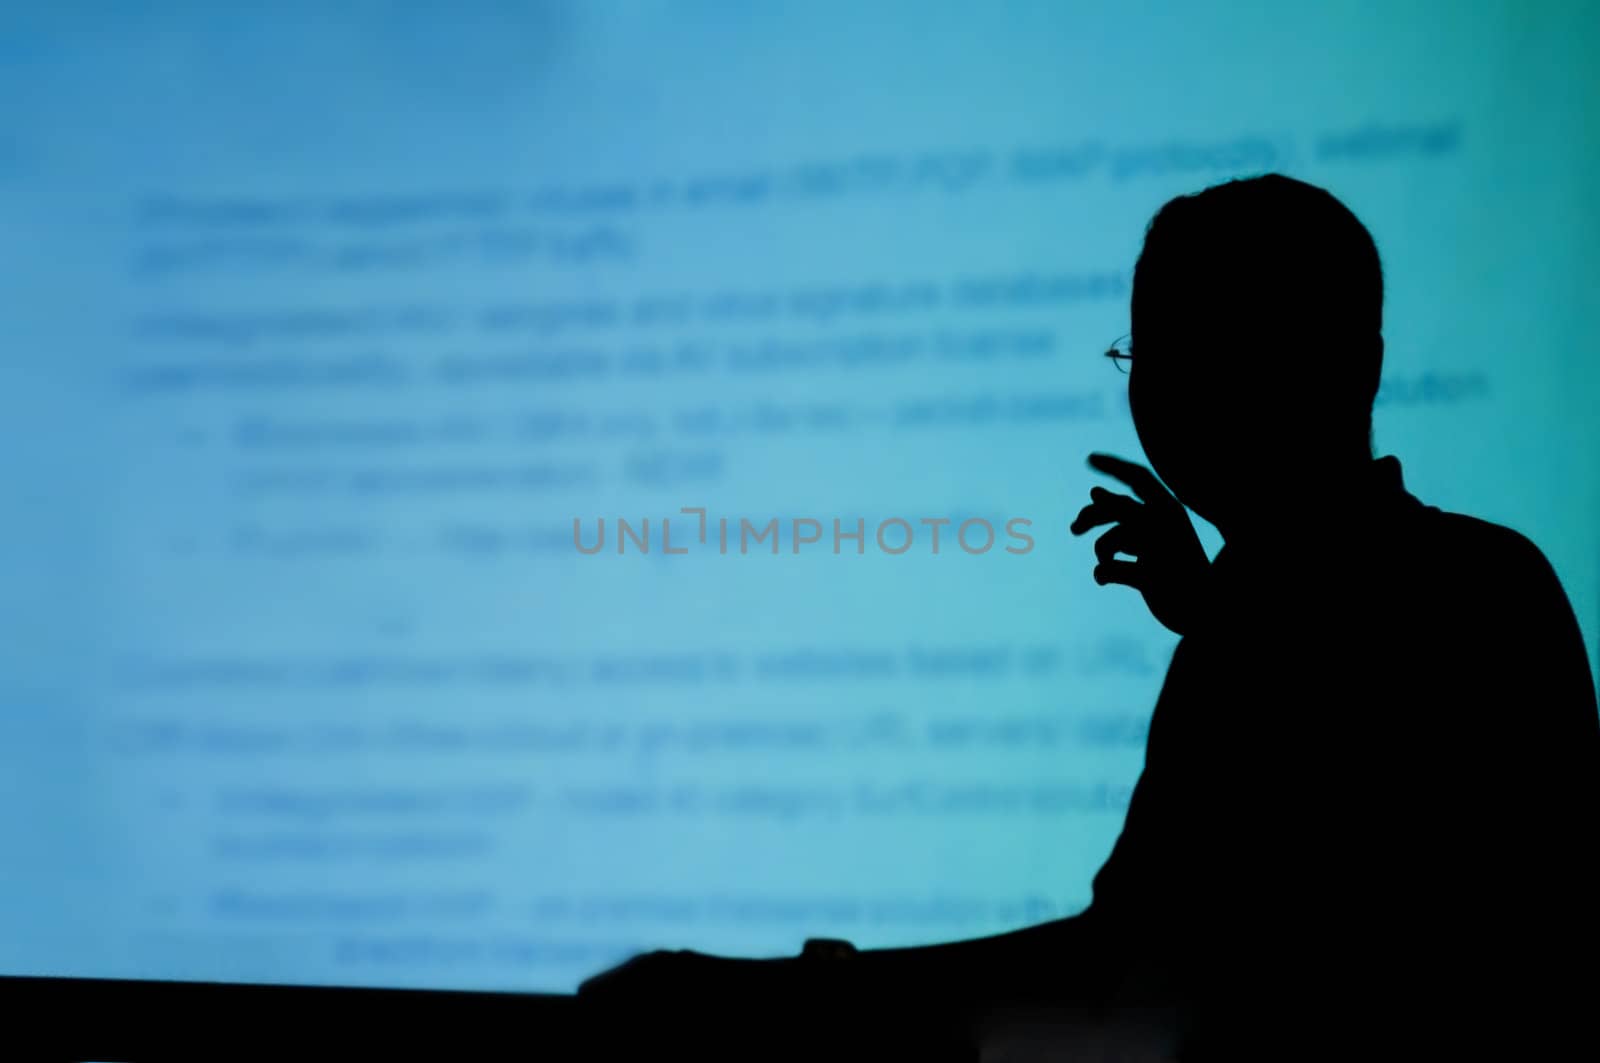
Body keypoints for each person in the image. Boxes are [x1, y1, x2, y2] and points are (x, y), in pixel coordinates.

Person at [577, 175, 1600, 1061]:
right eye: (1153, 350)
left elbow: (1133, 969)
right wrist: (1220, 613)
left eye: (1223, 343)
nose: (1173, 386)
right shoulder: (1473, 577)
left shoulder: (1359, 607)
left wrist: (772, 996)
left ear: (1356, 365)